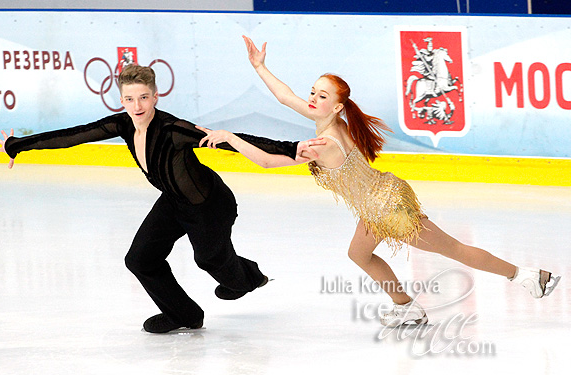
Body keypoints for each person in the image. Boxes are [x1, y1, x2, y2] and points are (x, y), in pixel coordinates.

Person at [197, 36, 561, 328]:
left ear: (337, 106)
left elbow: (265, 161)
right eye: (313, 92)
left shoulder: (324, 143)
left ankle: (529, 275)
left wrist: (230, 137)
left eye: (321, 96)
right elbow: (284, 96)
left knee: (454, 250)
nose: (311, 99)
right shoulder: (328, 120)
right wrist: (261, 66)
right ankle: (406, 307)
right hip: (378, 201)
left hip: (388, 208)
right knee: (359, 253)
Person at [0, 64, 323, 333]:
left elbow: (233, 142)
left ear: (155, 97)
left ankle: (249, 276)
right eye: (130, 99)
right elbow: (73, 135)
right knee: (139, 259)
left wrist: (291, 148)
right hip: (173, 202)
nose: (137, 106)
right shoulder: (120, 124)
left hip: (208, 204)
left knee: (210, 262)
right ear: (122, 100)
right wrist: (18, 145)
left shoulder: (174, 129)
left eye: (144, 98)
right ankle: (185, 314)